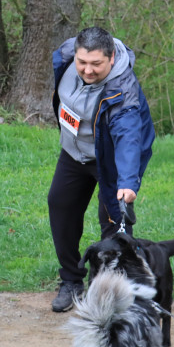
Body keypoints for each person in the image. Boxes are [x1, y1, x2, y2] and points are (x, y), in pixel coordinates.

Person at [48, 26, 155, 312]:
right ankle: (71, 280)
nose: (88, 70)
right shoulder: (66, 56)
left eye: (96, 64)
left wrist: (128, 181)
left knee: (114, 219)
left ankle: (120, 291)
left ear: (110, 58)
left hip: (111, 157)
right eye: (82, 62)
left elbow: (128, 138)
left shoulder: (124, 90)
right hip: (75, 152)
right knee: (60, 205)